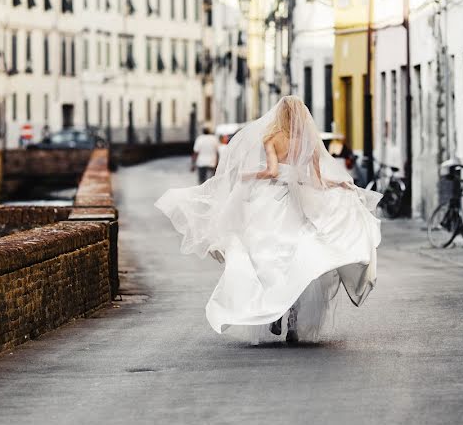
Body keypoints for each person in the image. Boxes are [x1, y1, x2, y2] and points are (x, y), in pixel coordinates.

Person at [156, 96, 382, 343]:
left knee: (267, 257)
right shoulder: (309, 143)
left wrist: (251, 174)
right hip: (300, 203)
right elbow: (317, 180)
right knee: (299, 261)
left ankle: (276, 312)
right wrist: (340, 183)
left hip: (273, 200)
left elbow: (273, 172)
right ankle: (293, 320)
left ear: (280, 115)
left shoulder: (271, 138)